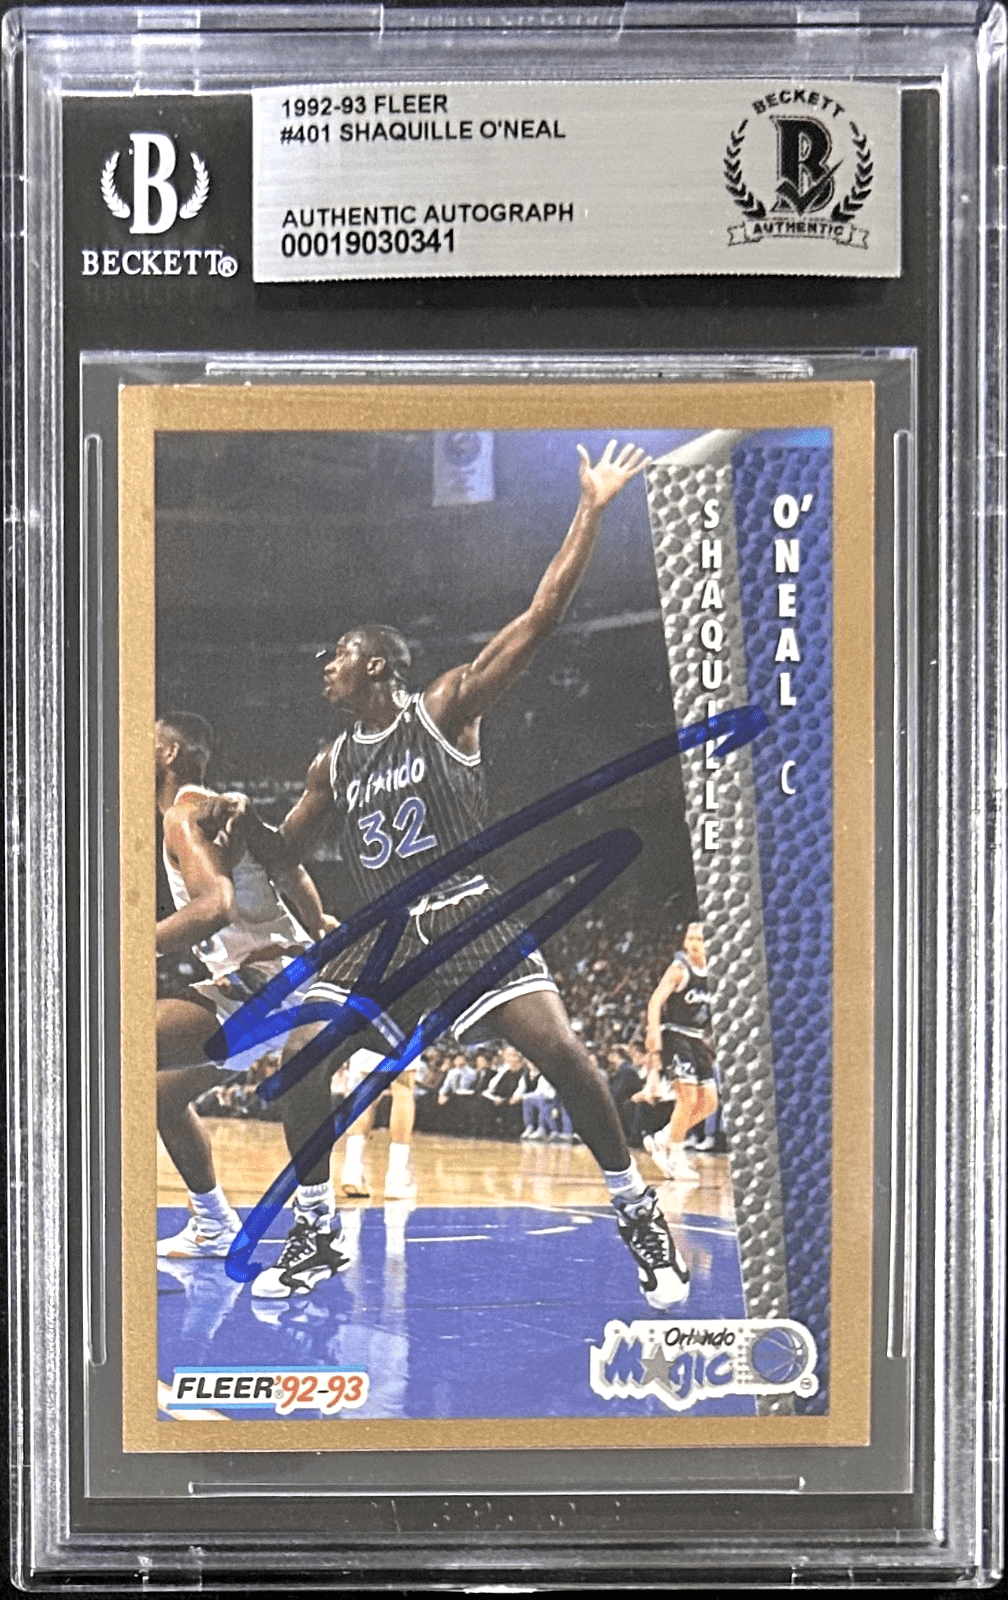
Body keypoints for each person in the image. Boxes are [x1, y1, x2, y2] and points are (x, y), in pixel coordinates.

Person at [236, 441, 690, 1309]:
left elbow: (542, 615)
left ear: (376, 664)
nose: (325, 664)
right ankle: (317, 1229)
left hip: (465, 914)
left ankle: (637, 1211)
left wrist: (591, 508)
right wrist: (243, 824)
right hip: (383, 935)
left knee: (565, 1055)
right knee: (301, 1060)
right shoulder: (331, 762)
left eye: (338, 653)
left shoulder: (445, 706)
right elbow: (286, 853)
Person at [154, 711, 352, 1271]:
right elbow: (290, 870)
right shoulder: (222, 810)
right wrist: (315, 926)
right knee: (158, 1096)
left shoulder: (187, 814)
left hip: (266, 988)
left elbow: (215, 908)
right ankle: (214, 1224)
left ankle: (90, 1235)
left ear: (170, 753)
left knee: (112, 1046)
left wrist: (126, 946)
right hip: (271, 984)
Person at [643, 923, 720, 1184]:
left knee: (709, 1102)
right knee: (687, 1099)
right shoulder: (679, 969)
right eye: (690, 938)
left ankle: (662, 1138)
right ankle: (675, 1157)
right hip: (676, 1035)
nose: (694, 944)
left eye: (700, 939)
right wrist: (654, 1034)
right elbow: (655, 1001)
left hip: (699, 1039)